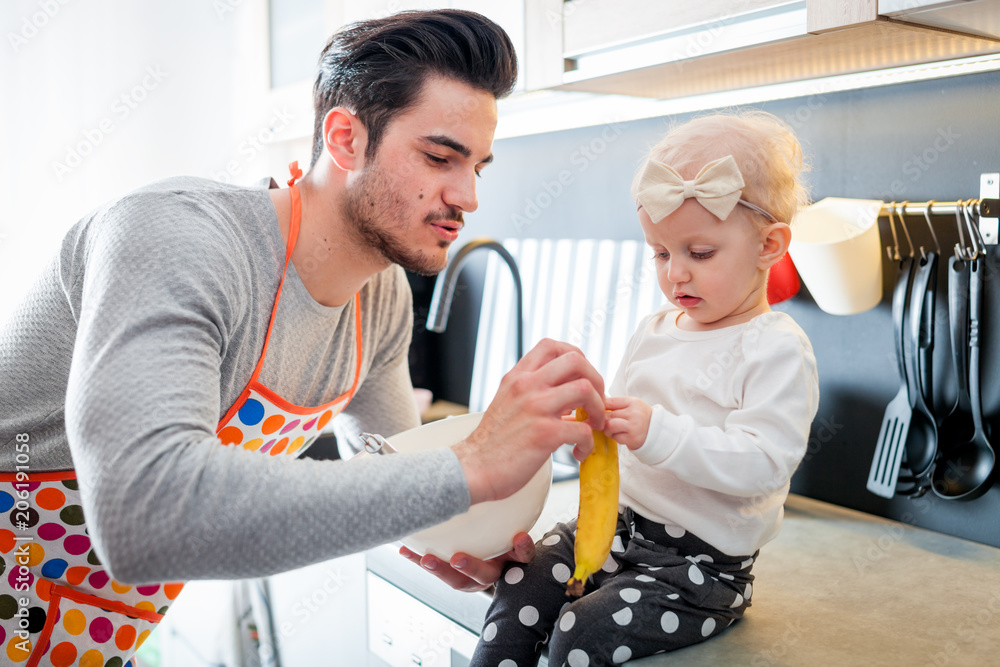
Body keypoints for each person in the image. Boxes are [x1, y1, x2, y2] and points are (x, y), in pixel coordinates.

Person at [0, 10, 607, 666]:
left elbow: (398, 476)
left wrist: (478, 534)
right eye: (439, 157)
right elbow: (147, 515)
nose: (468, 195)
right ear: (345, 138)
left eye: (478, 166)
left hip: (81, 637)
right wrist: (470, 466)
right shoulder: (177, 241)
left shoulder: (379, 301)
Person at [468, 110, 821, 666]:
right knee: (521, 579)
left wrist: (659, 433)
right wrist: (583, 428)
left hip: (700, 569)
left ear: (770, 245)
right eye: (660, 253)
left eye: (698, 253)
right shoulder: (654, 330)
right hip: (615, 529)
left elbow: (764, 464)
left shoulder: (775, 348)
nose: (674, 273)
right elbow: (619, 436)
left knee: (583, 629)